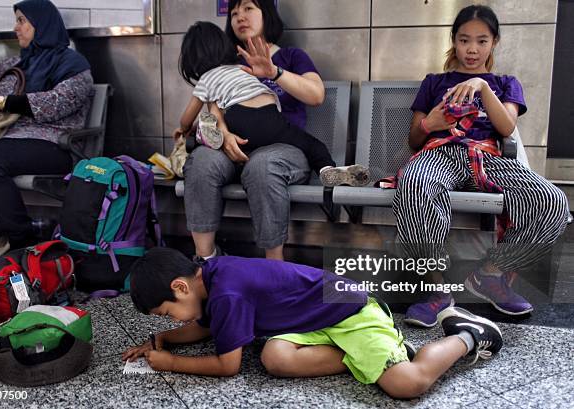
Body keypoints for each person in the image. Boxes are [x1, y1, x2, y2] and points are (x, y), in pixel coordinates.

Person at [122, 247, 504, 399]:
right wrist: (162, 339)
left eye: (166, 313)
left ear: (179, 287)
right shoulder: (209, 277)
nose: (172, 320)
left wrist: (172, 363)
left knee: (406, 385)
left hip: (350, 311)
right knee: (275, 358)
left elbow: (228, 365)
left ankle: (470, 334)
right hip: (313, 316)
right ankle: (375, 355)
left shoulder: (227, 292)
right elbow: (204, 326)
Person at [393, 5, 570, 327]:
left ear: (494, 43)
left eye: (481, 41)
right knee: (415, 184)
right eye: (464, 40)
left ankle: (490, 275)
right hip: (440, 153)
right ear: (454, 41)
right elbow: (414, 140)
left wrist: (482, 86)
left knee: (553, 202)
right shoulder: (434, 82)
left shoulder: (505, 83)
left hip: (489, 157)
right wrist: (430, 123)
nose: (472, 49)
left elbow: (505, 128)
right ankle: (436, 290)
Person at [183, 0, 327, 262]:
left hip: (283, 150)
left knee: (262, 165)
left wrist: (274, 72)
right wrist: (223, 135)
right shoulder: (226, 64)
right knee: (201, 161)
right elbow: (211, 110)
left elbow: (316, 95)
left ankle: (275, 266)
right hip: (231, 150)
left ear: (267, 14)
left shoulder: (291, 57)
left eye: (248, 8)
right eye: (235, 12)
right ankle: (206, 262)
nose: (240, 17)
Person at [0, 0, 93, 266]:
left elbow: (58, 103)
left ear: (42, 25)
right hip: (5, 139)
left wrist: (2, 102)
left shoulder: (73, 63)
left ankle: (24, 241)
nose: (16, 28)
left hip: (54, 143)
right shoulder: (13, 63)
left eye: (22, 21)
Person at [175, 21, 370, 187]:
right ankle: (327, 169)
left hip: (237, 119)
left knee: (212, 130)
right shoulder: (243, 68)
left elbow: (188, 116)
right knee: (312, 145)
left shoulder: (206, 80)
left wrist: (183, 128)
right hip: (272, 118)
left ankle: (205, 134)